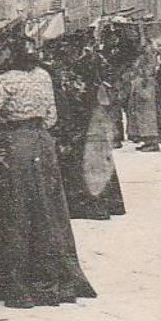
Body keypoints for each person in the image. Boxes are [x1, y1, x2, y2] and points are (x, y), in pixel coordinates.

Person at [0, 40, 95, 308]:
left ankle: (18, 287)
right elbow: (51, 118)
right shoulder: (42, 75)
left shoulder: (4, 80)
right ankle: (53, 284)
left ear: (8, 55)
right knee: (49, 212)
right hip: (43, 145)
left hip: (16, 148)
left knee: (17, 213)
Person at [51, 42, 125, 221]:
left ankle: (89, 204)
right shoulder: (91, 69)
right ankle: (108, 203)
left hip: (82, 123)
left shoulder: (75, 73)